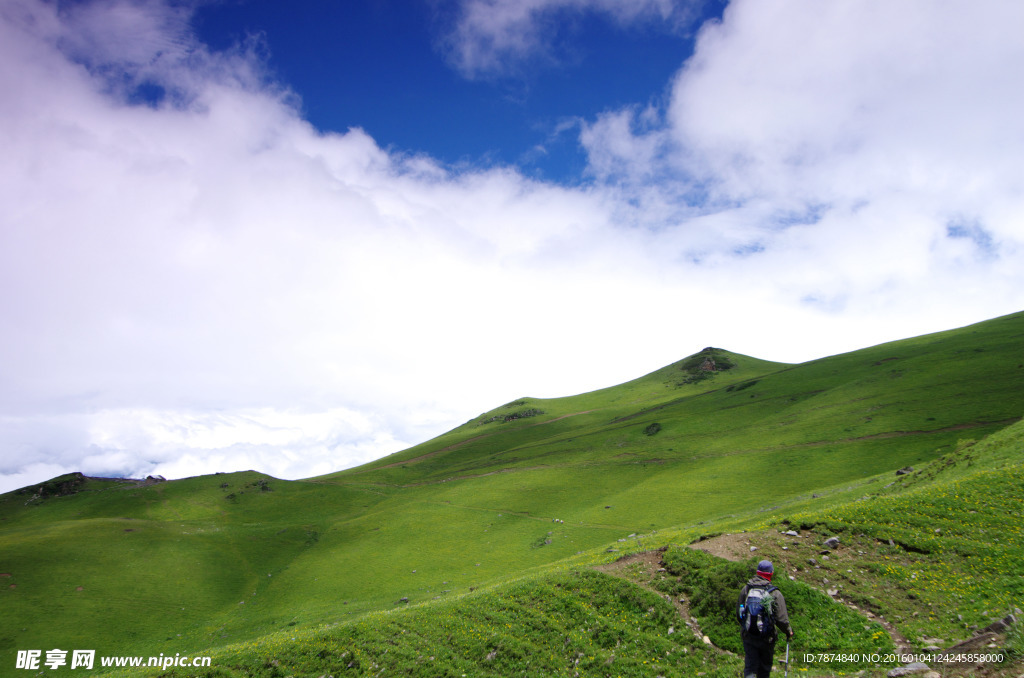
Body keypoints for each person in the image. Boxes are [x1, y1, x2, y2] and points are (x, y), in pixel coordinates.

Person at [736, 560, 794, 678]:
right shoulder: (774, 593)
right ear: (771, 573)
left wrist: (747, 627)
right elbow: (781, 618)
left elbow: (739, 613)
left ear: (757, 572)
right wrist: (788, 631)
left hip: (749, 636)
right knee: (764, 669)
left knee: (750, 668)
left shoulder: (746, 590)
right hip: (767, 638)